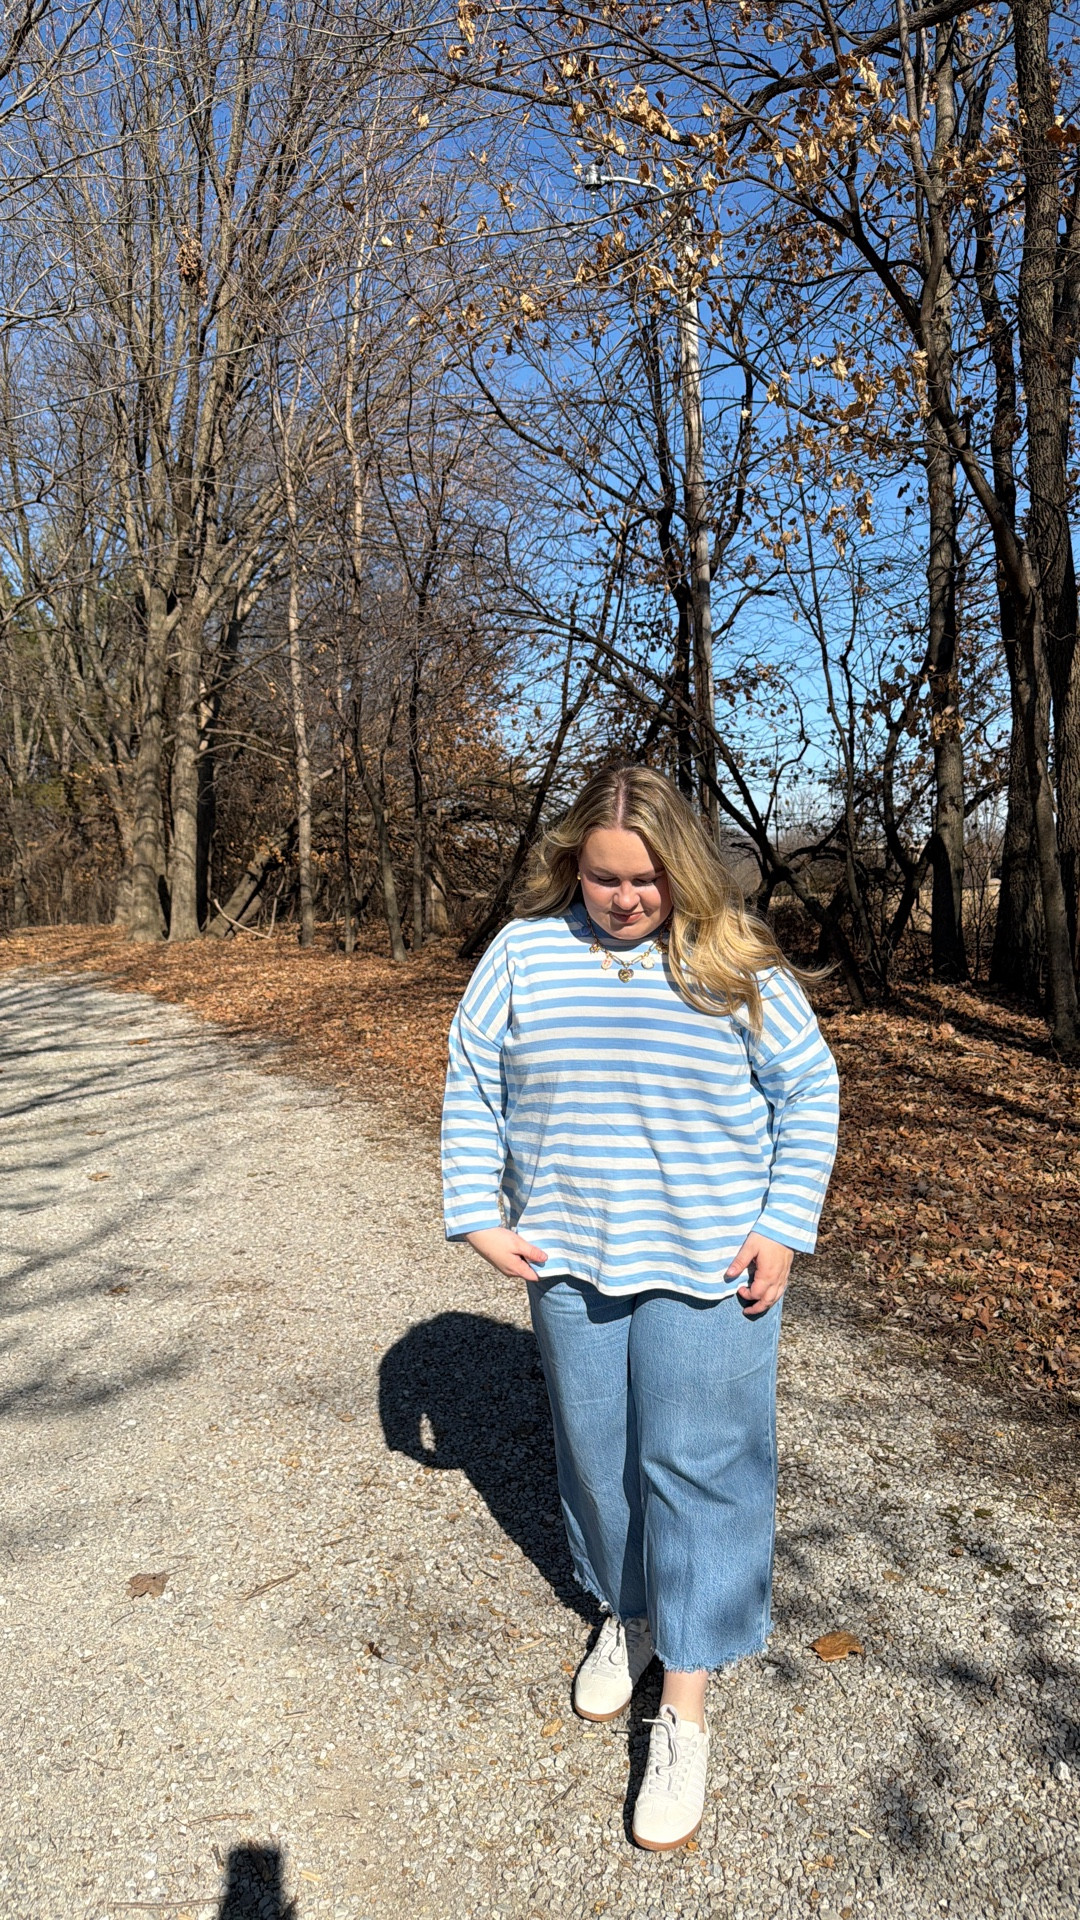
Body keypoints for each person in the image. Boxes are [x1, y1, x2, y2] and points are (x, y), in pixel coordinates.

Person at [440, 766, 839, 1851]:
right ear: (574, 866)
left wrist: (782, 1225)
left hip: (711, 1266)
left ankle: (686, 1709)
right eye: (604, 877)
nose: (625, 899)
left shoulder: (732, 962)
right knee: (599, 1458)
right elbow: (474, 1080)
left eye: (646, 879)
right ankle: (634, 1616)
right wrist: (476, 1212)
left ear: (683, 871)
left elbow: (810, 1091)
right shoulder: (524, 955)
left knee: (699, 1469)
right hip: (569, 1257)